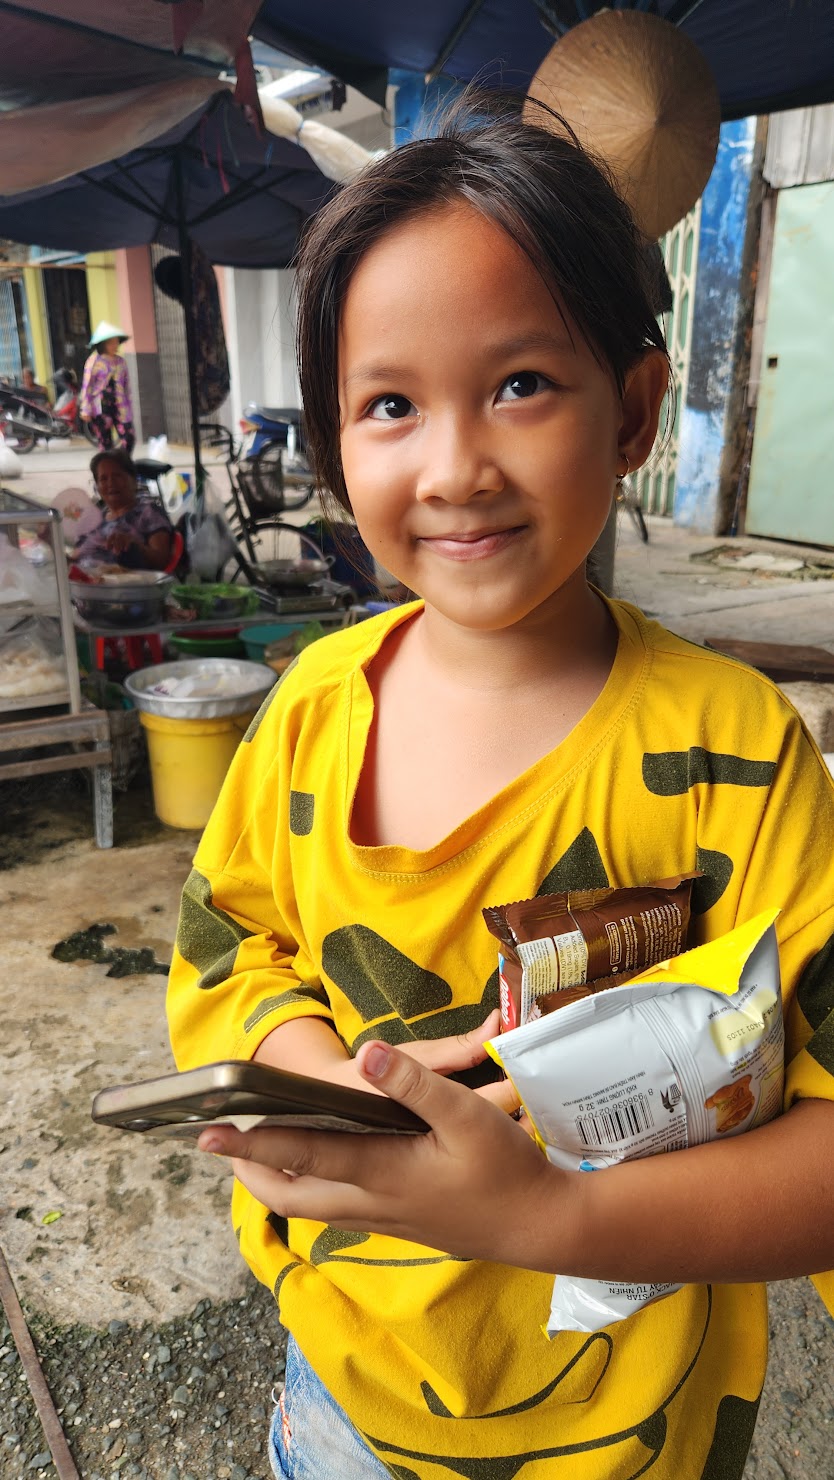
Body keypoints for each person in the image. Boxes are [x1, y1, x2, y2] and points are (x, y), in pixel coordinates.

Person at [166, 102, 834, 1480]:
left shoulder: (732, 755)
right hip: (344, 1395)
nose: (454, 465)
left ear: (634, 407)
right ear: (338, 440)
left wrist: (543, 1217)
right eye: (390, 404)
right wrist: (314, 1082)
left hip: (625, 1431)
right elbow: (235, 951)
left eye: (521, 383)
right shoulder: (304, 716)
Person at [75, 449, 172, 571]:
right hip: (84, 583)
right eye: (103, 479)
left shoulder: (149, 512)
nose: (111, 483)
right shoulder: (95, 518)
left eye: (117, 476)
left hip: (126, 587)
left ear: (134, 480)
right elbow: (77, 556)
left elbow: (161, 560)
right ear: (97, 486)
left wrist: (135, 545)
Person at [79, 321, 135, 456]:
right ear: (103, 344)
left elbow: (126, 386)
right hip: (100, 407)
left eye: (116, 342)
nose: (115, 345)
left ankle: (121, 462)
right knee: (105, 443)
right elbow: (87, 386)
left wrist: (129, 406)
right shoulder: (93, 361)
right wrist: (85, 408)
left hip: (120, 405)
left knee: (129, 437)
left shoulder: (121, 362)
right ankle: (109, 469)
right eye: (111, 342)